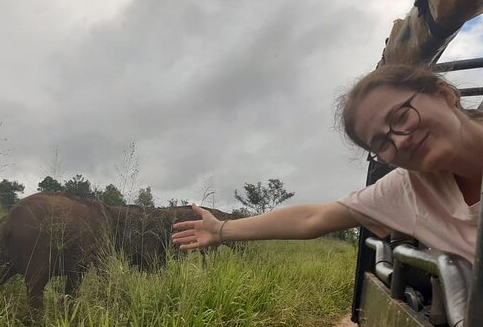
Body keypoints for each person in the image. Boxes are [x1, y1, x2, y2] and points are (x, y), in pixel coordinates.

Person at [172, 64, 482, 263]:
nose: (400, 140)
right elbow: (313, 218)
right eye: (382, 143)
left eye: (401, 116)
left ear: (444, 94)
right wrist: (221, 229)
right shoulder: (408, 187)